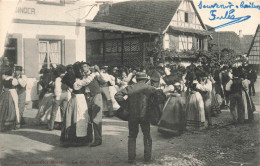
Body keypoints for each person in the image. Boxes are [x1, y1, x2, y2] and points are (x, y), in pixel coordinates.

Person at [115, 72, 166, 163]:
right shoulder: (150, 88)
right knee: (146, 135)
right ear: (146, 80)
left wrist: (126, 105)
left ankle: (131, 158)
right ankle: (147, 158)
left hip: (132, 115)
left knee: (132, 136)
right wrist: (152, 105)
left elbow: (117, 95)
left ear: (137, 79)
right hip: (145, 115)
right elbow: (161, 98)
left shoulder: (130, 87)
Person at [60, 62, 90, 147]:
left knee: (71, 116)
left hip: (74, 97)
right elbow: (88, 81)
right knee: (79, 116)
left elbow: (66, 86)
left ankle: (70, 138)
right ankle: (79, 139)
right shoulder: (79, 81)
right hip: (79, 98)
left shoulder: (72, 79)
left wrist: (70, 90)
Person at [82, 63, 106, 147]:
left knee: (96, 118)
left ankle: (98, 139)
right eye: (82, 67)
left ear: (88, 67)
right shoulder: (82, 76)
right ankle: (89, 138)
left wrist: (99, 71)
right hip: (87, 97)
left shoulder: (95, 74)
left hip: (96, 96)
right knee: (88, 118)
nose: (83, 68)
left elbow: (103, 82)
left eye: (85, 66)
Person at [48, 65, 69, 130]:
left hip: (59, 95)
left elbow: (57, 88)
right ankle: (64, 126)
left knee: (54, 111)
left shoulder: (58, 79)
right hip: (66, 94)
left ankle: (51, 126)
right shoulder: (66, 77)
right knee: (64, 111)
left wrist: (57, 97)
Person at [0, 66, 20, 131]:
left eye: (2, 74)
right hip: (12, 94)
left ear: (6, 74)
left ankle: (5, 124)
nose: (2, 76)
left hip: (6, 94)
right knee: (13, 107)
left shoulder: (7, 80)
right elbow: (16, 84)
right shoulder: (13, 80)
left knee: (5, 108)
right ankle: (11, 124)